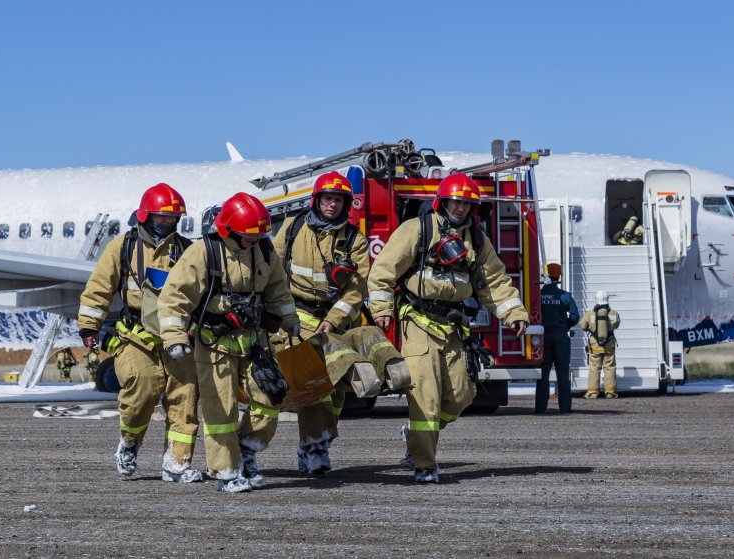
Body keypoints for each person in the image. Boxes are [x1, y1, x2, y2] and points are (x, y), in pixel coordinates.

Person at [368, 173, 529, 483]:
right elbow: (383, 272)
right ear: (444, 201)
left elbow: (494, 282)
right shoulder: (417, 229)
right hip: (417, 322)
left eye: (467, 203)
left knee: (462, 394)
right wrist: (382, 309)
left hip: (452, 326)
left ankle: (415, 435)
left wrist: (514, 314)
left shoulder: (477, 240)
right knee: (425, 395)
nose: (461, 208)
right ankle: (424, 464)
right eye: (457, 202)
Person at [157, 192, 300, 493]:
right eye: (247, 236)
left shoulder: (262, 249)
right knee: (220, 410)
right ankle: (226, 472)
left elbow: (277, 288)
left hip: (255, 341)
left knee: (271, 396)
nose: (253, 241)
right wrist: (173, 338)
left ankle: (247, 449)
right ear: (228, 229)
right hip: (214, 343)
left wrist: (289, 318)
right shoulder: (202, 253)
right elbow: (173, 298)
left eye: (257, 235)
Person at [273, 170, 409, 475]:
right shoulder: (292, 229)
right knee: (317, 383)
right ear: (316, 200)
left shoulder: (354, 239)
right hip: (299, 318)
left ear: (346, 203)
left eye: (338, 199)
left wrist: (333, 320)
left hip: (334, 322)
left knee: (335, 392)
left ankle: (319, 442)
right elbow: (272, 269)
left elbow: (356, 289)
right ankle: (314, 448)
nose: (332, 205)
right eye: (327, 198)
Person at [78, 183, 202, 483]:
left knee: (184, 397)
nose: (168, 223)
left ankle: (177, 463)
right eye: (161, 218)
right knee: (141, 390)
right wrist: (89, 326)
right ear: (146, 216)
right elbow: (98, 290)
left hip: (180, 337)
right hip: (136, 336)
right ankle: (130, 443)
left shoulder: (189, 251)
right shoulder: (122, 248)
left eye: (173, 219)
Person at [535, 263, 579, 414]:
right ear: (559, 276)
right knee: (562, 374)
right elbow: (575, 316)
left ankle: (540, 408)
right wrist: (565, 326)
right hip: (561, 337)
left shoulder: (538, 295)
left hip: (543, 337)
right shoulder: (565, 296)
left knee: (543, 374)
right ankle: (565, 407)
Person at [580, 290, 621, 398]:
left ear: (596, 300)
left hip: (595, 347)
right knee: (610, 367)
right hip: (609, 346)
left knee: (594, 367)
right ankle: (610, 393)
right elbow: (616, 325)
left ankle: (593, 393)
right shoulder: (614, 313)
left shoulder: (589, 314)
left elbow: (583, 326)